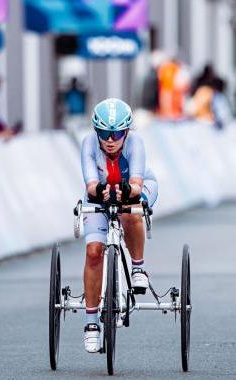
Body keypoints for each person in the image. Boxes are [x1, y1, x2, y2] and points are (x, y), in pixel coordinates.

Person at [80, 98, 158, 353]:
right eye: (104, 133)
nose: (110, 139)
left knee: (130, 213)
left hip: (137, 188)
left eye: (116, 133)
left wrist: (125, 192)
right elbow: (91, 184)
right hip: (99, 195)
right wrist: (101, 189)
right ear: (96, 131)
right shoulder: (89, 144)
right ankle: (92, 324)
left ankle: (138, 269)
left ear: (127, 132)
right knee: (93, 252)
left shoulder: (135, 143)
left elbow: (135, 183)